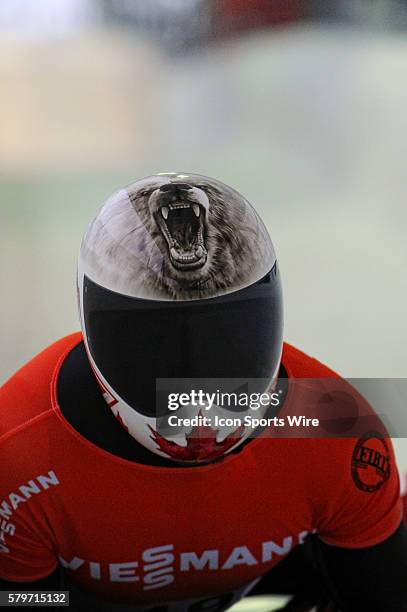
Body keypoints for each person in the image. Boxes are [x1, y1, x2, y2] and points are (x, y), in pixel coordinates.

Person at [0, 173, 406, 612]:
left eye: (225, 338)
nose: (196, 401)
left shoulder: (341, 438)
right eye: (151, 343)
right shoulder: (13, 457)